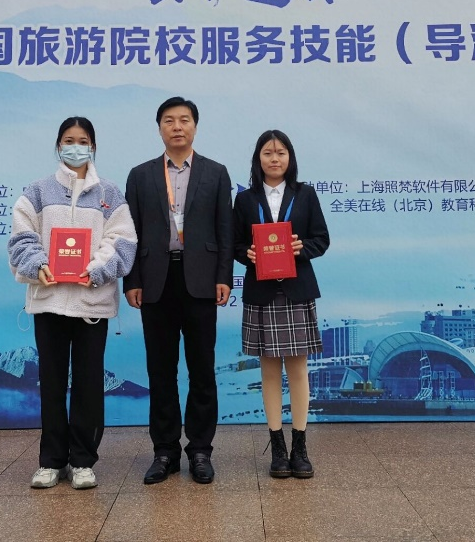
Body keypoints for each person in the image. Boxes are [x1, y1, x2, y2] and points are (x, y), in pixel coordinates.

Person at [7, 116, 137, 490]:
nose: (75, 147)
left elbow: (123, 241)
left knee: (88, 383)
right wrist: (39, 265)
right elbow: (21, 237)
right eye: (68, 140)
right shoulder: (37, 191)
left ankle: (82, 461)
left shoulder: (110, 194)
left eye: (82, 141)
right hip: (48, 301)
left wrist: (96, 270)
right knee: (50, 383)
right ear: (58, 145)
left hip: (91, 304)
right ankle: (50, 461)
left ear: (92, 147)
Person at [123, 97, 234, 485]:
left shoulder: (216, 173)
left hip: (201, 280)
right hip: (156, 281)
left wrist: (224, 276)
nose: (177, 126)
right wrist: (132, 280)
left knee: (202, 370)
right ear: (159, 128)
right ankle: (165, 451)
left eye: (184, 120)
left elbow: (225, 230)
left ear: (195, 127)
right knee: (161, 371)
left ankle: (201, 450)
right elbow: (129, 233)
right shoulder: (140, 175)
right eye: (169, 120)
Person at [233, 130, 329, 479]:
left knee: (298, 370)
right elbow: (234, 243)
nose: (274, 159)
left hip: (296, 290)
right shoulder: (245, 199)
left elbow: (322, 238)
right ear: (258, 159)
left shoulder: (305, 194)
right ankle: (277, 447)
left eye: (281, 152)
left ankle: (300, 447)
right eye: (268, 153)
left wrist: (302, 249)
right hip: (261, 291)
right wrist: (247, 253)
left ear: (290, 158)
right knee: (269, 372)